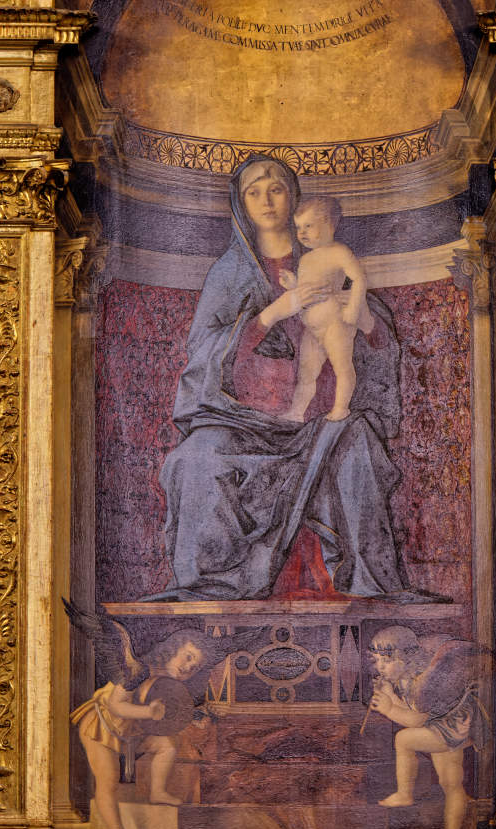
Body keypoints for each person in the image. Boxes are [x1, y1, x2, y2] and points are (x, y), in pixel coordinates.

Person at [153, 155, 442, 603]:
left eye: (276, 189)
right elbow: (203, 352)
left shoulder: (327, 256)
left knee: (356, 445)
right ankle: (209, 589)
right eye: (254, 192)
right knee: (197, 459)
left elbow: (375, 333)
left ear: (294, 198)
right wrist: (272, 313)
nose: (266, 201)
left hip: (318, 417)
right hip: (241, 422)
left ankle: (366, 588)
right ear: (241, 204)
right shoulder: (228, 274)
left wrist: (362, 320)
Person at [70, 633, 210, 829]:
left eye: (196, 667)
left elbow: (165, 713)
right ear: (172, 649)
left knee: (168, 745)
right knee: (108, 780)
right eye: (188, 657)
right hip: (101, 724)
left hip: (130, 732)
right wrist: (149, 712)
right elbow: (117, 705)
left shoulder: (169, 682)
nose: (189, 667)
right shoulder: (139, 670)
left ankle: (157, 791)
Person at [367, 625, 487, 829]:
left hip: (451, 726)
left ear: (404, 658)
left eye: (386, 661)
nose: (380, 668)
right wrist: (390, 696)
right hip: (447, 723)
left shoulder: (420, 683)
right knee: (450, 781)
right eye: (377, 661)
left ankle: (405, 794)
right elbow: (412, 710)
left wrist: (388, 709)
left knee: (403, 739)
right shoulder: (406, 678)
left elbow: (415, 720)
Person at [282, 194, 367, 423]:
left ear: (329, 224)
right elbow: (306, 291)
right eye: (299, 227)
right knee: (306, 374)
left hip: (333, 322)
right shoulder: (306, 260)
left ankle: (341, 408)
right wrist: (293, 285)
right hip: (311, 327)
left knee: (342, 366)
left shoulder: (339, 252)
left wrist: (352, 310)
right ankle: (297, 412)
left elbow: (359, 279)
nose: (302, 233)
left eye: (308, 226)